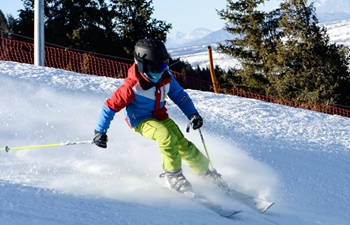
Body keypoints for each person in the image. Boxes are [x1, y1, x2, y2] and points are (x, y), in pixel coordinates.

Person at [93, 38, 222, 193]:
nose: (162, 69)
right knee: (166, 136)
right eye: (159, 66)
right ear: (144, 66)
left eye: (165, 64)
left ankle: (205, 172)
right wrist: (100, 132)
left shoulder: (166, 77)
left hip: (161, 116)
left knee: (183, 144)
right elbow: (109, 107)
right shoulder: (131, 87)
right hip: (140, 121)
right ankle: (173, 176)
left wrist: (193, 114)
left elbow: (180, 95)